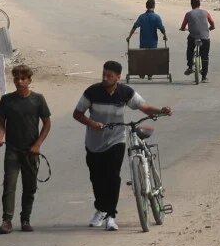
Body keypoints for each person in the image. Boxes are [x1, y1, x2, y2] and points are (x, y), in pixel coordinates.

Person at [72, 61, 171, 231]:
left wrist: (161, 111)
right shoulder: (92, 92)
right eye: (103, 74)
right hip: (94, 143)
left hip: (116, 139)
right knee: (97, 178)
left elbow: (145, 107)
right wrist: (91, 123)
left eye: (109, 76)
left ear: (118, 77)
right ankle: (101, 209)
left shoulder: (125, 92)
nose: (105, 78)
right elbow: (77, 113)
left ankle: (111, 215)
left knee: (113, 177)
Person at [0, 64, 50, 234]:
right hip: (12, 150)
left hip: (31, 151)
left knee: (30, 186)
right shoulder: (7, 100)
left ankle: (25, 219)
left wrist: (37, 145)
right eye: (16, 79)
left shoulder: (38, 100)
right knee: (9, 185)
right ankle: (7, 220)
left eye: (23, 79)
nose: (19, 82)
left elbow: (47, 124)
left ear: (29, 80)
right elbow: (2, 124)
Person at [181, 0, 215, 81]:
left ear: (191, 5)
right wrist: (212, 27)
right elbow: (212, 22)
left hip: (193, 37)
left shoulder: (188, 14)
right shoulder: (205, 12)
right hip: (204, 38)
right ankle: (204, 77)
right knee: (205, 56)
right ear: (199, 4)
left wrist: (182, 29)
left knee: (190, 49)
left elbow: (183, 26)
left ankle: (190, 66)